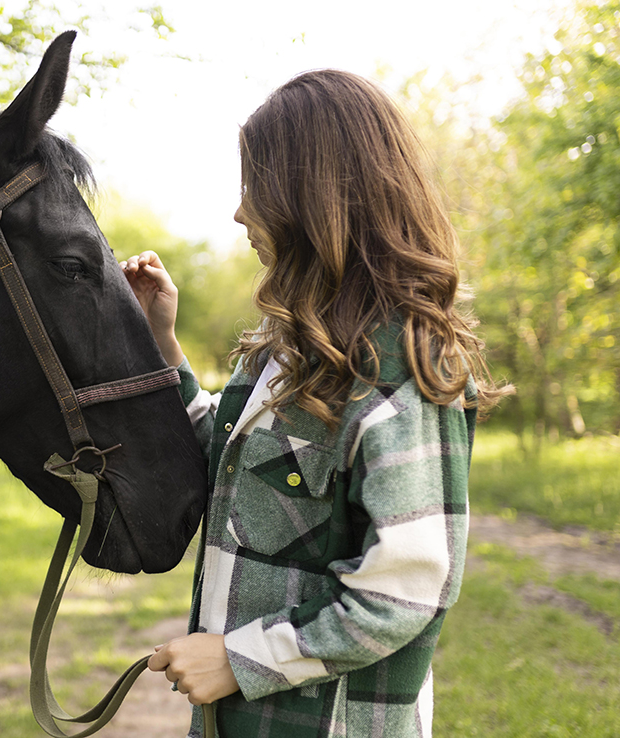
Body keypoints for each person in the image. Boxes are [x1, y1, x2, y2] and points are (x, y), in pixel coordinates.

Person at [122, 69, 511, 738]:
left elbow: (404, 590)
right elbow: (234, 467)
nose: (239, 213)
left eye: (253, 189)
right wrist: (163, 344)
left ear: (310, 198)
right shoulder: (288, 348)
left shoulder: (404, 371)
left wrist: (240, 661)